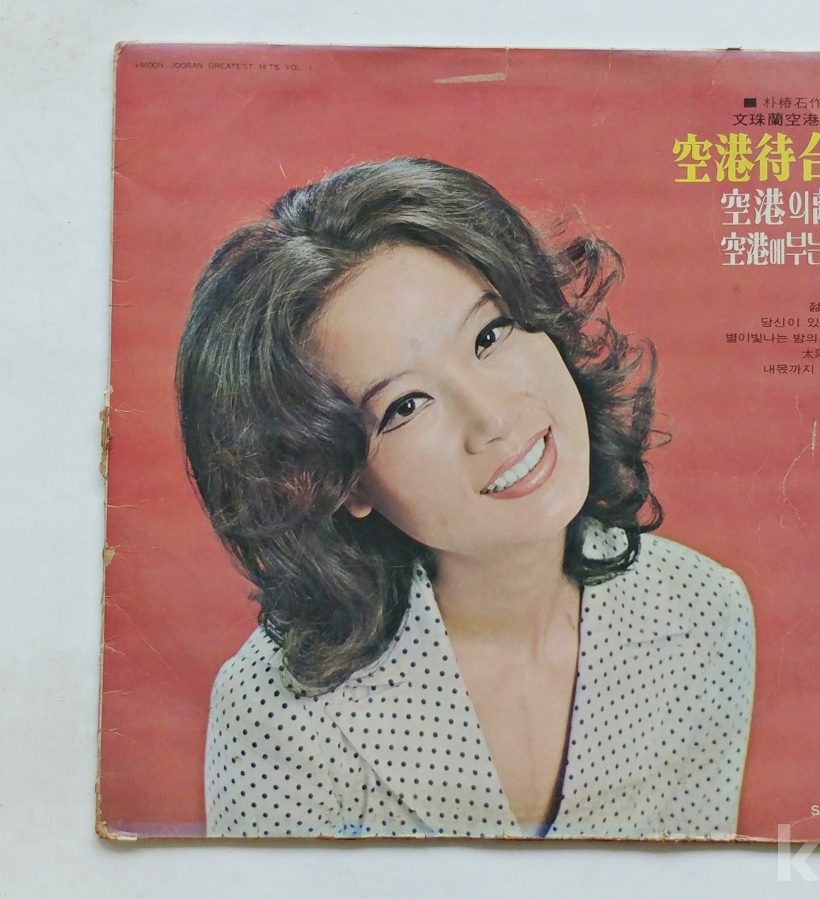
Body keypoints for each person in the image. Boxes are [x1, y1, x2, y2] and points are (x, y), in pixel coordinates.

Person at [177, 158, 755, 840]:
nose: (493, 419)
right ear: (341, 481)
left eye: (490, 334)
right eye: (405, 405)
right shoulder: (280, 719)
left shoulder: (702, 614)